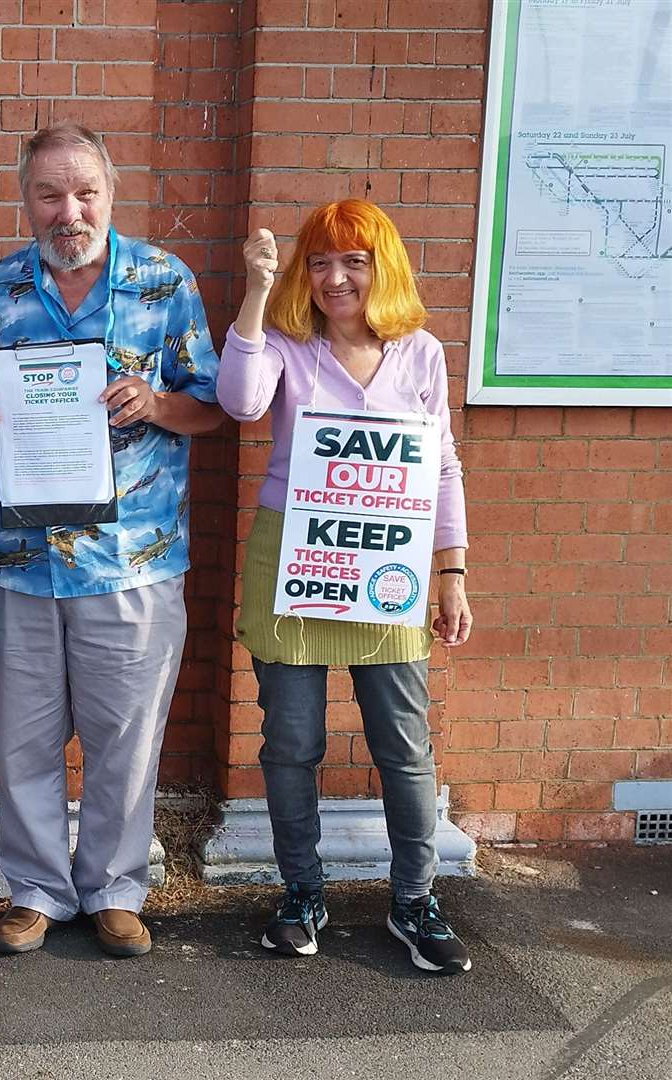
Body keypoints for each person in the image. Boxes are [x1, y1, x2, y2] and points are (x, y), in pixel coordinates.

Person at [0, 122, 224, 958]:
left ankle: (113, 887)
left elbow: (213, 406)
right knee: (24, 739)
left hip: (131, 561)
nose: (68, 211)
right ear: (25, 198)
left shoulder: (164, 283)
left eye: (84, 192)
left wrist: (156, 402)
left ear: (110, 191)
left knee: (125, 739)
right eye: (49, 193)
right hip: (21, 564)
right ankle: (35, 890)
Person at [216, 199, 473, 974]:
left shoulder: (421, 352)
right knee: (292, 743)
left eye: (353, 261)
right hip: (295, 559)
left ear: (380, 267)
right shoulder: (291, 346)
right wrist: (256, 293)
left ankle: (414, 900)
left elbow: (444, 466)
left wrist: (452, 572)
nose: (335, 278)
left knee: (404, 746)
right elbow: (239, 400)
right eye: (320, 262)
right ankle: (302, 893)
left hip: (385, 571)